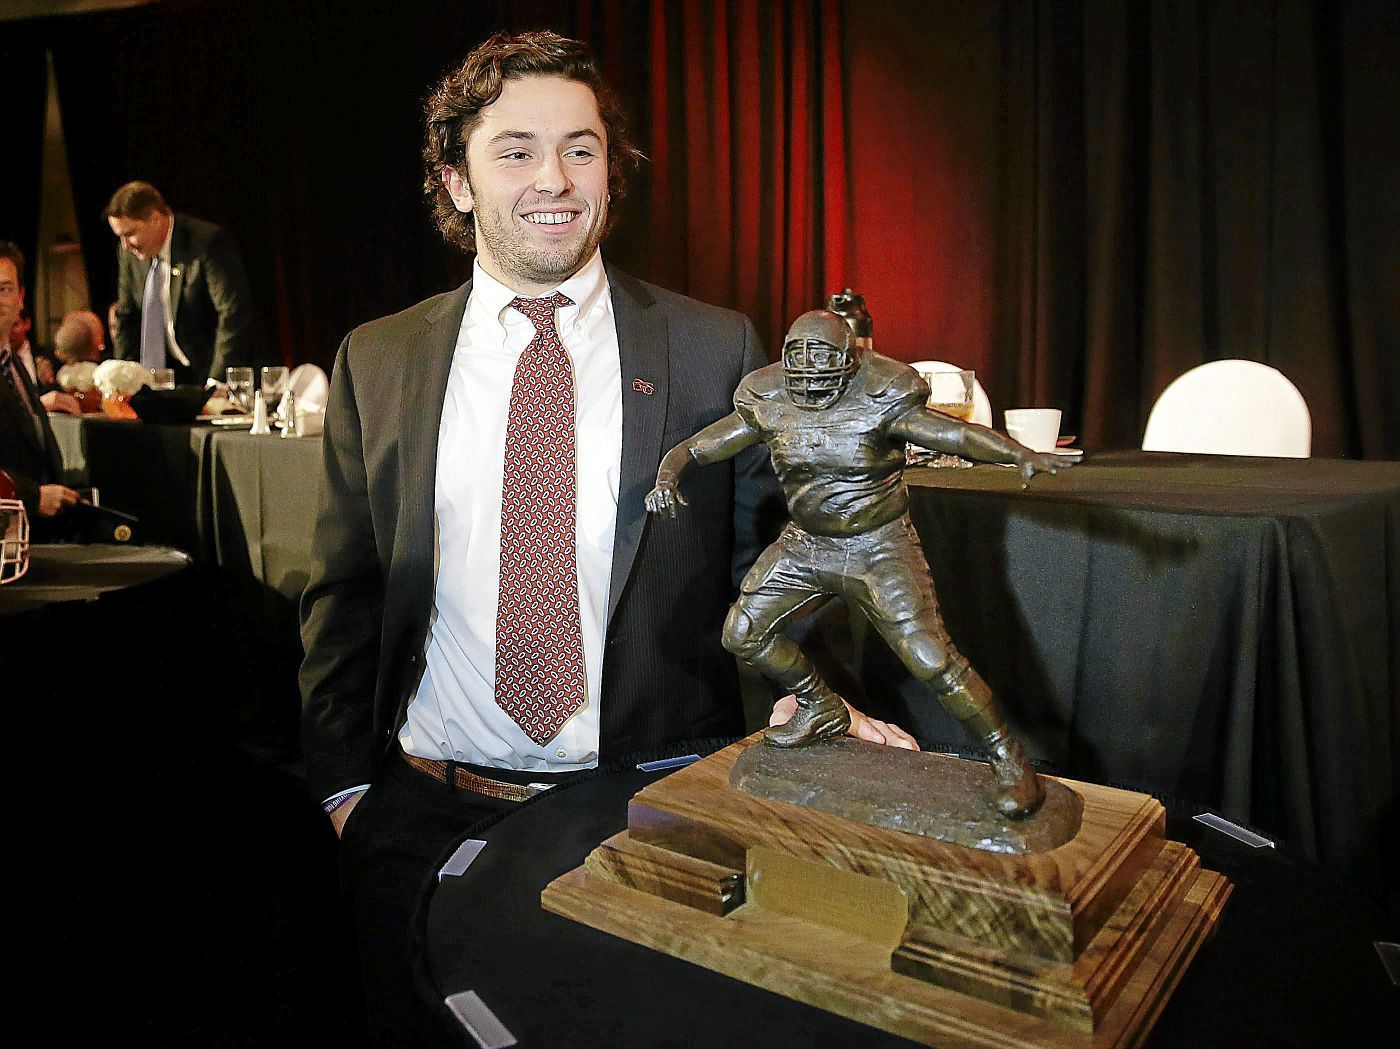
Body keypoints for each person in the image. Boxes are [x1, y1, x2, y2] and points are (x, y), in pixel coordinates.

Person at [299, 31, 911, 1047]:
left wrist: (814, 702)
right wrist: (346, 790)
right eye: (516, 150)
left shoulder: (713, 347)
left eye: (579, 149)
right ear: (456, 181)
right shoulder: (379, 357)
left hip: (647, 810)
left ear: (610, 171)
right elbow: (344, 591)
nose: (554, 178)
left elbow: (773, 569)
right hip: (421, 816)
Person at [646, 309, 1070, 818]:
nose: (809, 370)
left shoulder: (881, 395)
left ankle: (1007, 756)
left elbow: (953, 435)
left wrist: (1016, 453)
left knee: (930, 658)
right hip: (806, 542)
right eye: (799, 356)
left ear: (851, 361)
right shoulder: (768, 398)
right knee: (743, 633)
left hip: (878, 545)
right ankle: (819, 705)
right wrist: (667, 477)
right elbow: (699, 448)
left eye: (821, 357)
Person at [106, 181, 256, 385]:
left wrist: (218, 381)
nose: (125, 245)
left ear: (155, 220)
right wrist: (123, 381)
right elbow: (127, 317)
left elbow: (233, 313)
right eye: (120, 237)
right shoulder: (129, 256)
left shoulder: (207, 243)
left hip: (221, 372)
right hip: (175, 378)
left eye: (129, 234)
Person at [0, 241, 80, 526]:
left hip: (33, 536)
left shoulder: (16, 366)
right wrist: (33, 497)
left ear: (21, 298)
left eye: (5, 289)